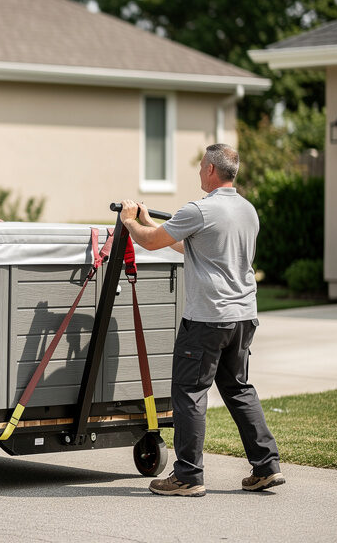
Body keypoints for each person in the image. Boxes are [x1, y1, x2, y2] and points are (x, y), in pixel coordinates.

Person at [119, 143, 283, 497]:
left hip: (208, 319)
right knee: (239, 390)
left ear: (210, 169)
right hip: (243, 317)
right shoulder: (247, 210)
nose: (198, 172)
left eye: (199, 167)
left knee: (189, 393)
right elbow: (194, 246)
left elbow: (148, 243)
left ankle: (188, 476)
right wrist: (150, 223)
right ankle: (266, 467)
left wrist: (130, 220)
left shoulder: (200, 209)